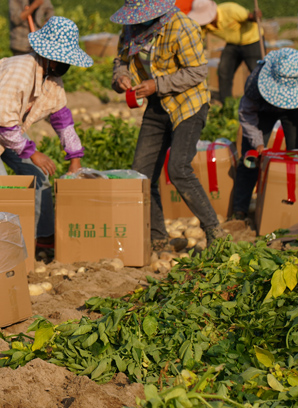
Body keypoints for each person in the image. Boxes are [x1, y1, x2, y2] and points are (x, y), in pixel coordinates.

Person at [0, 16, 92, 250]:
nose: (65, 66)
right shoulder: (19, 72)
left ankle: (43, 236)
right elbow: (3, 122)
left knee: (39, 174)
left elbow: (62, 120)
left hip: (8, 128)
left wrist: (75, 158)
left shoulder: (52, 78)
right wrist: (32, 152)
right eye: (62, 59)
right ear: (48, 56)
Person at [111, 0, 226, 250]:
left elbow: (197, 71)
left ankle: (215, 231)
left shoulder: (182, 27)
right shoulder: (131, 28)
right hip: (156, 105)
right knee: (141, 173)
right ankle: (158, 238)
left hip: (187, 103)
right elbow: (120, 60)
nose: (137, 21)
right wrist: (121, 76)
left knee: (178, 168)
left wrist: (158, 84)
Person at [232, 48, 298, 222]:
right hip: (263, 111)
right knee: (251, 159)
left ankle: (289, 205)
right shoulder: (255, 82)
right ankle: (240, 210)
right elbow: (246, 114)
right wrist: (258, 142)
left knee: (295, 158)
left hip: (294, 111)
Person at [187, 0, 263, 104]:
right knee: (223, 70)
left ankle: (263, 101)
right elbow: (198, 40)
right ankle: (227, 104)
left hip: (252, 40)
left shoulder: (230, 10)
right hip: (233, 43)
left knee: (257, 72)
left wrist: (255, 16)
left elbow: (250, 17)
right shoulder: (204, 25)